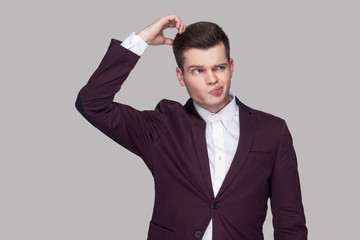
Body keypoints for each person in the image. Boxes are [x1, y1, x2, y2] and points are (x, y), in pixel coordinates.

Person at [75, 15, 307, 240]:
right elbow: (92, 104)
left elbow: (290, 222)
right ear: (181, 76)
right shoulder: (162, 127)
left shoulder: (272, 130)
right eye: (198, 70)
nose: (212, 79)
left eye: (219, 67)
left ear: (231, 67)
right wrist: (141, 40)